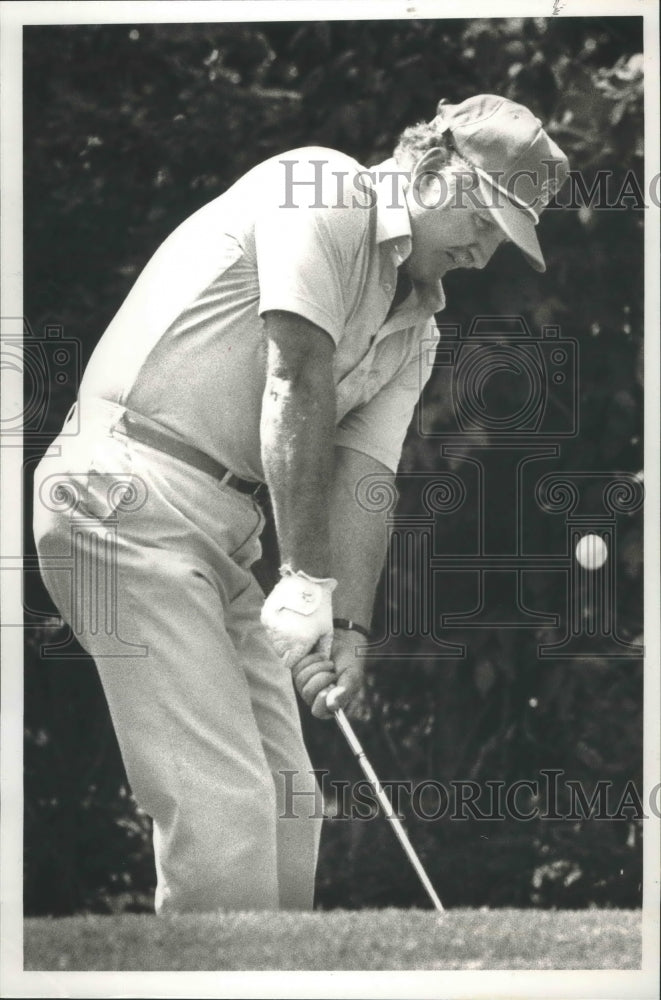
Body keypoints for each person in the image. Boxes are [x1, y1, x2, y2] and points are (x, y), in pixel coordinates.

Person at [33, 94, 569, 914]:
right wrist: (306, 579)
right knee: (224, 806)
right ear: (431, 169)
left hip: (228, 533)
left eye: (506, 235)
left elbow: (364, 475)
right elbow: (295, 375)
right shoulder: (319, 188)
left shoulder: (418, 326)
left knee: (287, 802)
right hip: (123, 494)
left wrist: (347, 626)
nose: (487, 249)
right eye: (487, 217)